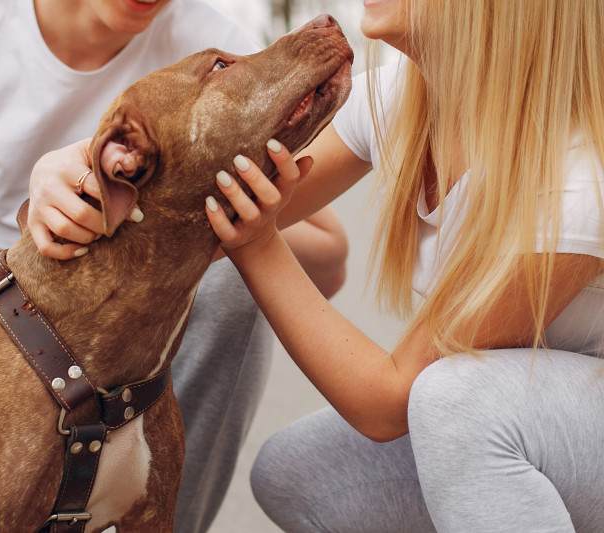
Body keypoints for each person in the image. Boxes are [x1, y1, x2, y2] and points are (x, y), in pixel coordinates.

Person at [0, 1, 349, 531]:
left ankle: (129, 493)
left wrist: (188, 220)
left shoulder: (204, 40)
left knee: (234, 273)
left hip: (122, 343)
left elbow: (328, 263)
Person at [200, 0, 604, 531]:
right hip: (527, 433)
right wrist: (68, 172)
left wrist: (257, 245)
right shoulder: (402, 97)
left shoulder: (577, 179)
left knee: (454, 401)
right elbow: (206, 216)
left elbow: (387, 403)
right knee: (296, 471)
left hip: (566, 437)